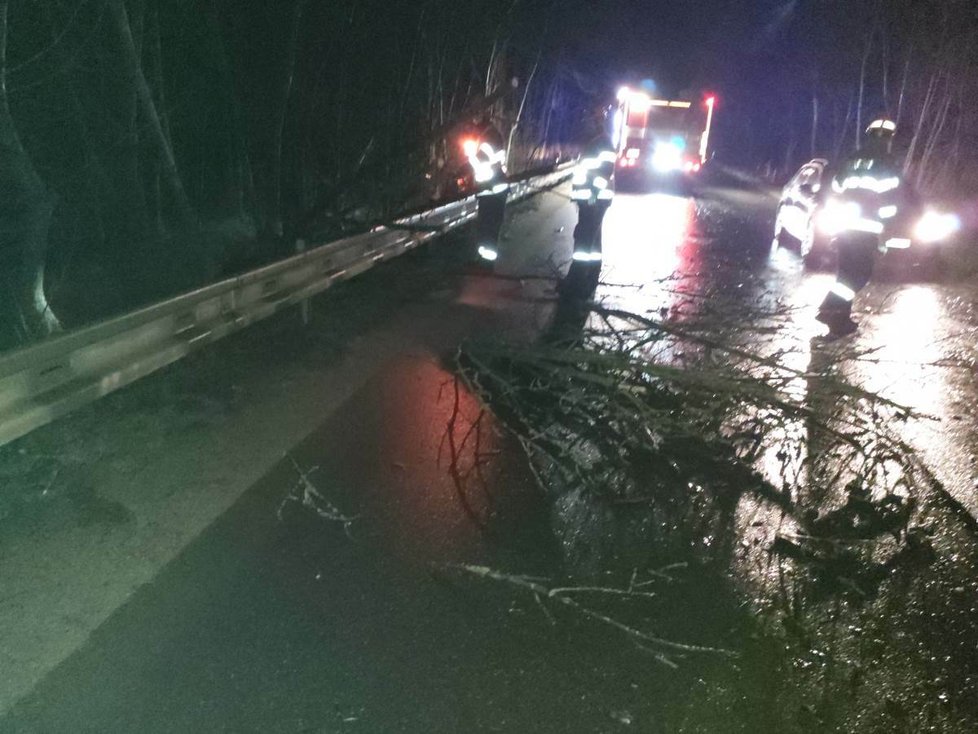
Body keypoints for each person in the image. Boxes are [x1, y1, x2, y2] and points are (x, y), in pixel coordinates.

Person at [816, 117, 914, 336]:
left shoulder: (853, 159)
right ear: (889, 139)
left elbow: (836, 186)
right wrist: (887, 232)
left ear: (868, 135)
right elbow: (890, 201)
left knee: (845, 274)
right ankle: (829, 308)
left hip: (844, 227)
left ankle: (840, 320)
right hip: (867, 230)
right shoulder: (887, 163)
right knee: (859, 275)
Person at [569, 108, 617, 263]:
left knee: (584, 240)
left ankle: (577, 281)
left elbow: (605, 173)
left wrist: (594, 195)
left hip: (595, 200)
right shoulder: (594, 143)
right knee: (592, 241)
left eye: (588, 122)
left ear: (596, 123)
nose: (585, 125)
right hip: (591, 199)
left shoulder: (602, 143)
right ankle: (588, 278)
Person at [461, 114, 509, 263]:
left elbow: (481, 163)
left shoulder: (488, 139)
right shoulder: (491, 135)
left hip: (493, 191)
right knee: (488, 228)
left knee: (488, 227)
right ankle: (484, 261)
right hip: (492, 190)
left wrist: (469, 157)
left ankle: (486, 265)